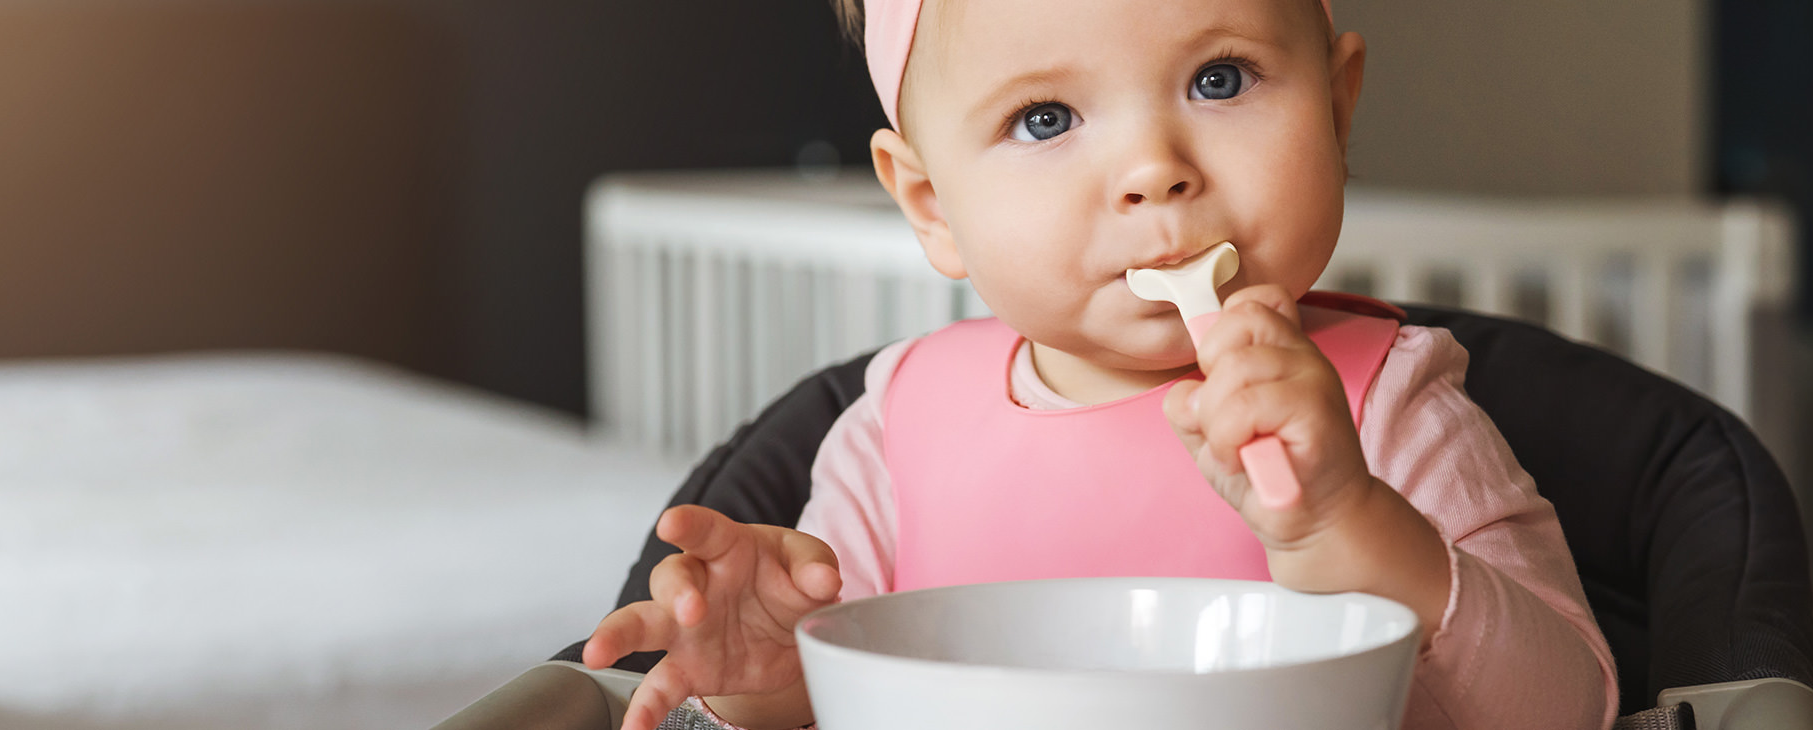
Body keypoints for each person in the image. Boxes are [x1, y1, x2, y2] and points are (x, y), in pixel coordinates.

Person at [579, 0, 1618, 728]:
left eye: (1219, 79)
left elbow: (1572, 706)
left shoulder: (1383, 402)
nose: (1152, 170)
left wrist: (1348, 523)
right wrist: (769, 677)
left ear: (1338, 106)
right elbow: (829, 698)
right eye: (1045, 118)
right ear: (932, 207)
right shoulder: (898, 428)